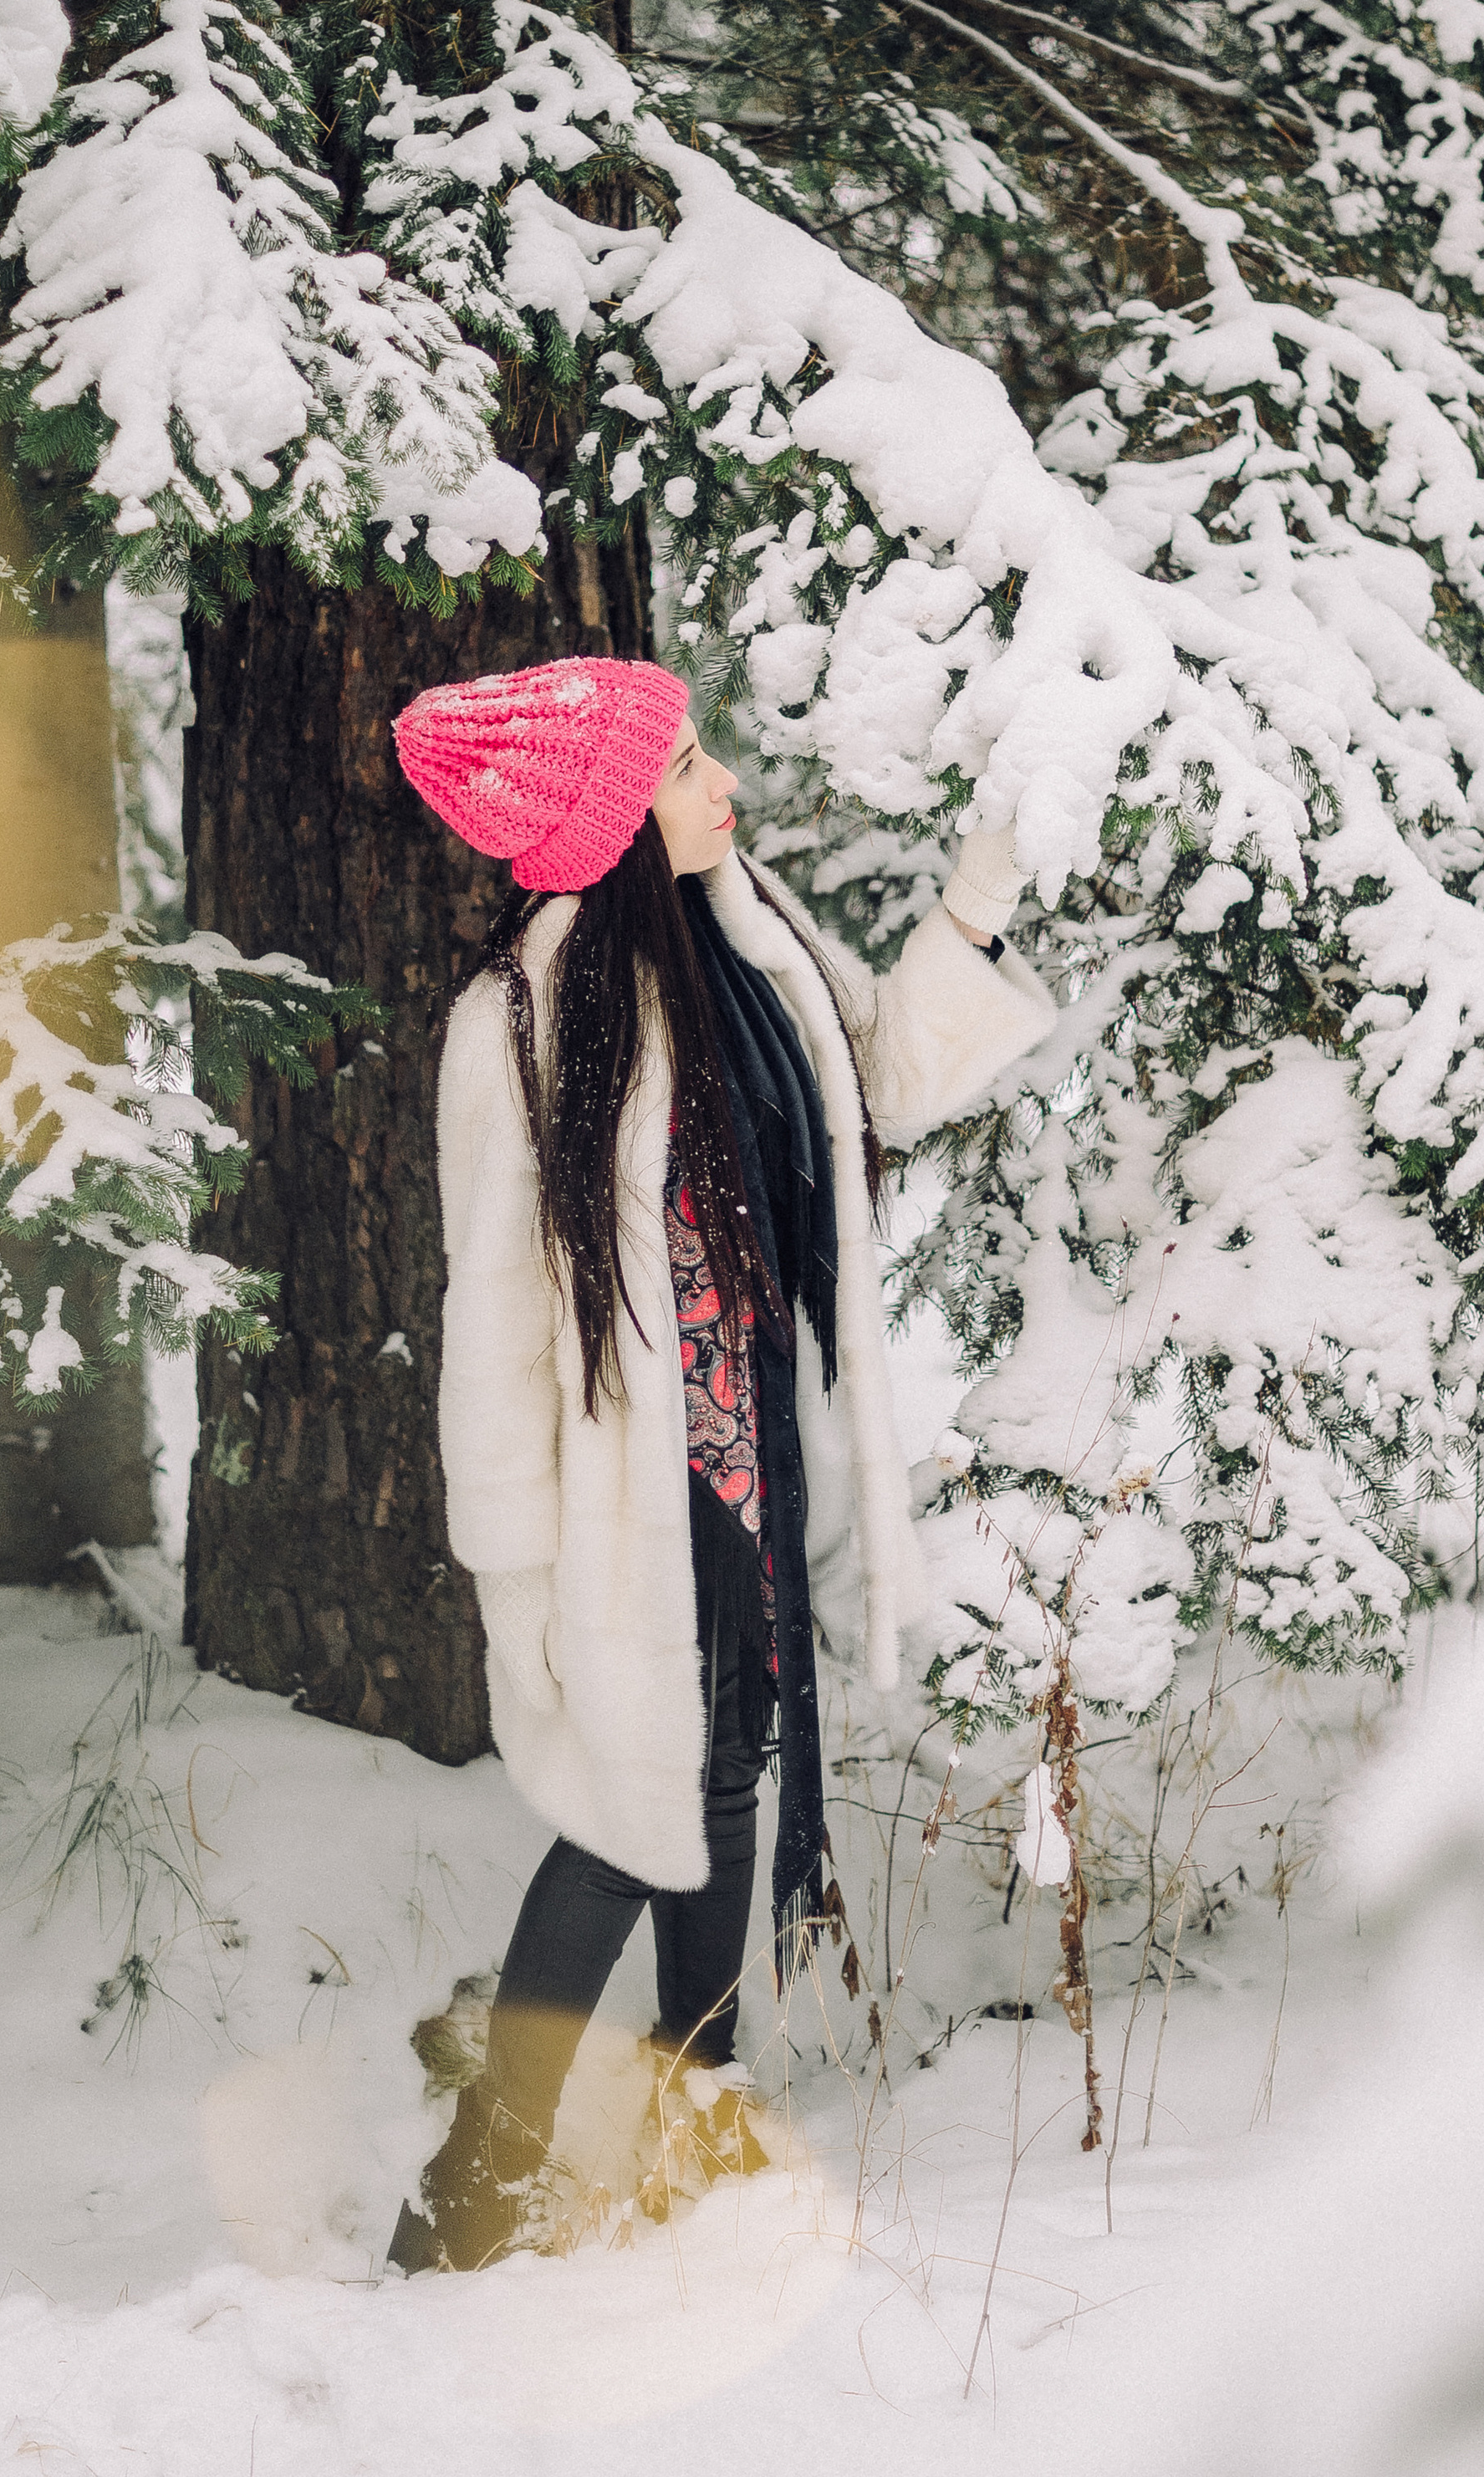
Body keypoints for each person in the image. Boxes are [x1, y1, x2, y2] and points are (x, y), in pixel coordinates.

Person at [383, 655, 1055, 2270]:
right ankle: (480, 2180)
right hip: (625, 1497)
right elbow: (497, 1321)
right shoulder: (521, 1024)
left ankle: (696, 2103)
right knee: (631, 1806)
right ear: (613, 815)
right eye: (685, 767)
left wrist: (981, 890)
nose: (721, 784)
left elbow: (883, 1069)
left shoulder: (748, 935)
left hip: (756, 1459)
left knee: (728, 1773)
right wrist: (521, 1565)